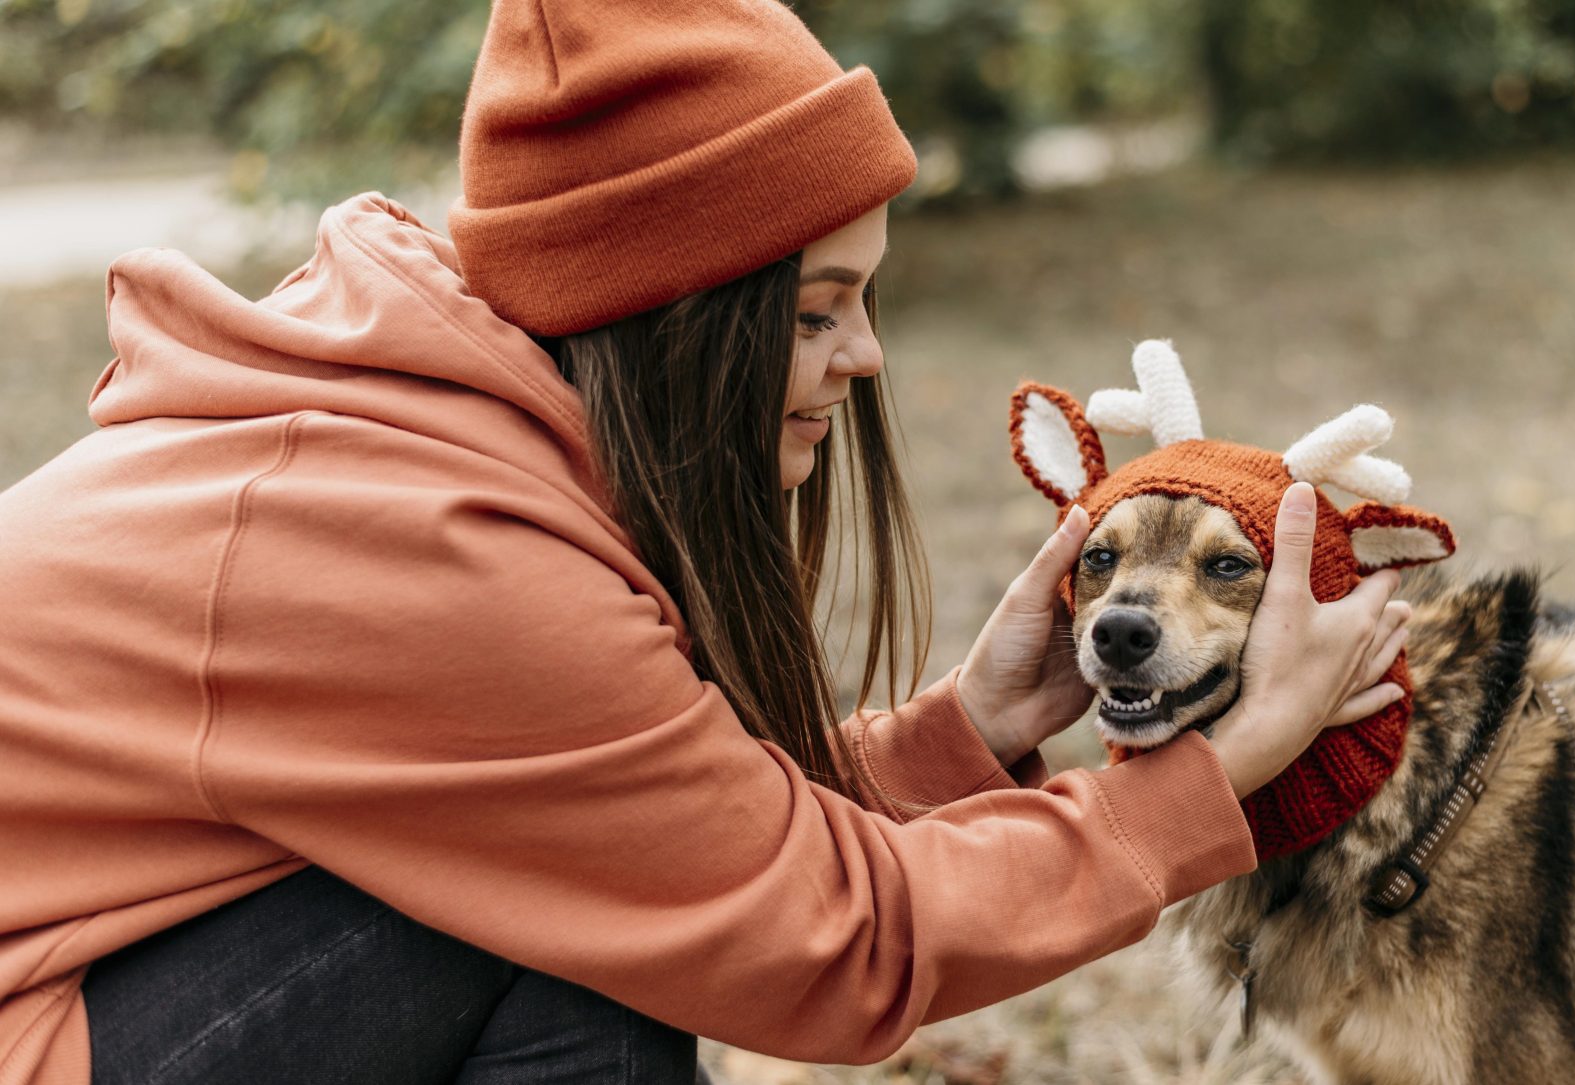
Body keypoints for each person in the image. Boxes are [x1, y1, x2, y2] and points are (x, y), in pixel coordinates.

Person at [0, 2, 1411, 1082]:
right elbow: (824, 936)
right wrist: (1209, 781)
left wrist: (964, 733)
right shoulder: (441, 551)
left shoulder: (444, 433)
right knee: (578, 939)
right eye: (813, 312)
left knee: (582, 908)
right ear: (673, 315)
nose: (862, 356)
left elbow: (683, 826)